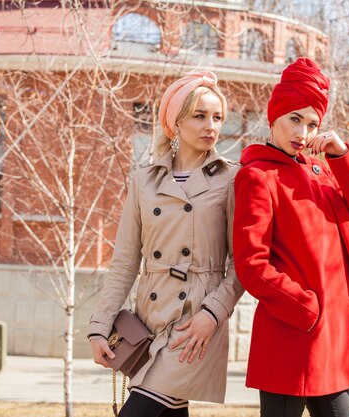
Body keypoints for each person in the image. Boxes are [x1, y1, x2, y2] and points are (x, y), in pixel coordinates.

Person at [88, 70, 243, 417]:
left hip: (195, 321)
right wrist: (99, 327)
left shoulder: (232, 178)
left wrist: (213, 314)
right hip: (150, 318)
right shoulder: (144, 180)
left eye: (217, 117)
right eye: (199, 116)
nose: (211, 126)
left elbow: (243, 262)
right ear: (175, 121)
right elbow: (126, 260)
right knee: (169, 411)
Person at [232, 57, 349, 417]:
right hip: (292, 334)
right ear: (274, 119)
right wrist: (306, 308)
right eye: (294, 119)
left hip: (326, 335)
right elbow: (251, 263)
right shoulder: (257, 177)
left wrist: (342, 155)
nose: (303, 132)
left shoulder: (319, 169)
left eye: (312, 123)